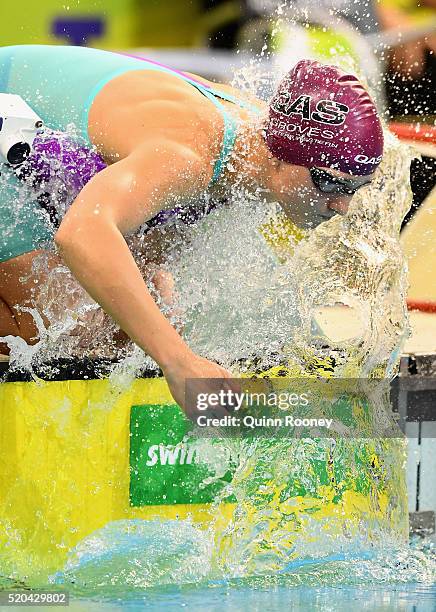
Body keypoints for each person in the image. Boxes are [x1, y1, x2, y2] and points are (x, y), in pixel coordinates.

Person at [0, 45, 383, 411]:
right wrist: (178, 362)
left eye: (354, 189)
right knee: (52, 332)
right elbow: (81, 234)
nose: (342, 206)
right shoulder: (188, 156)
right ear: (284, 158)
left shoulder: (257, 147)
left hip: (41, 153)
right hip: (9, 118)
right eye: (331, 183)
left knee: (138, 328)